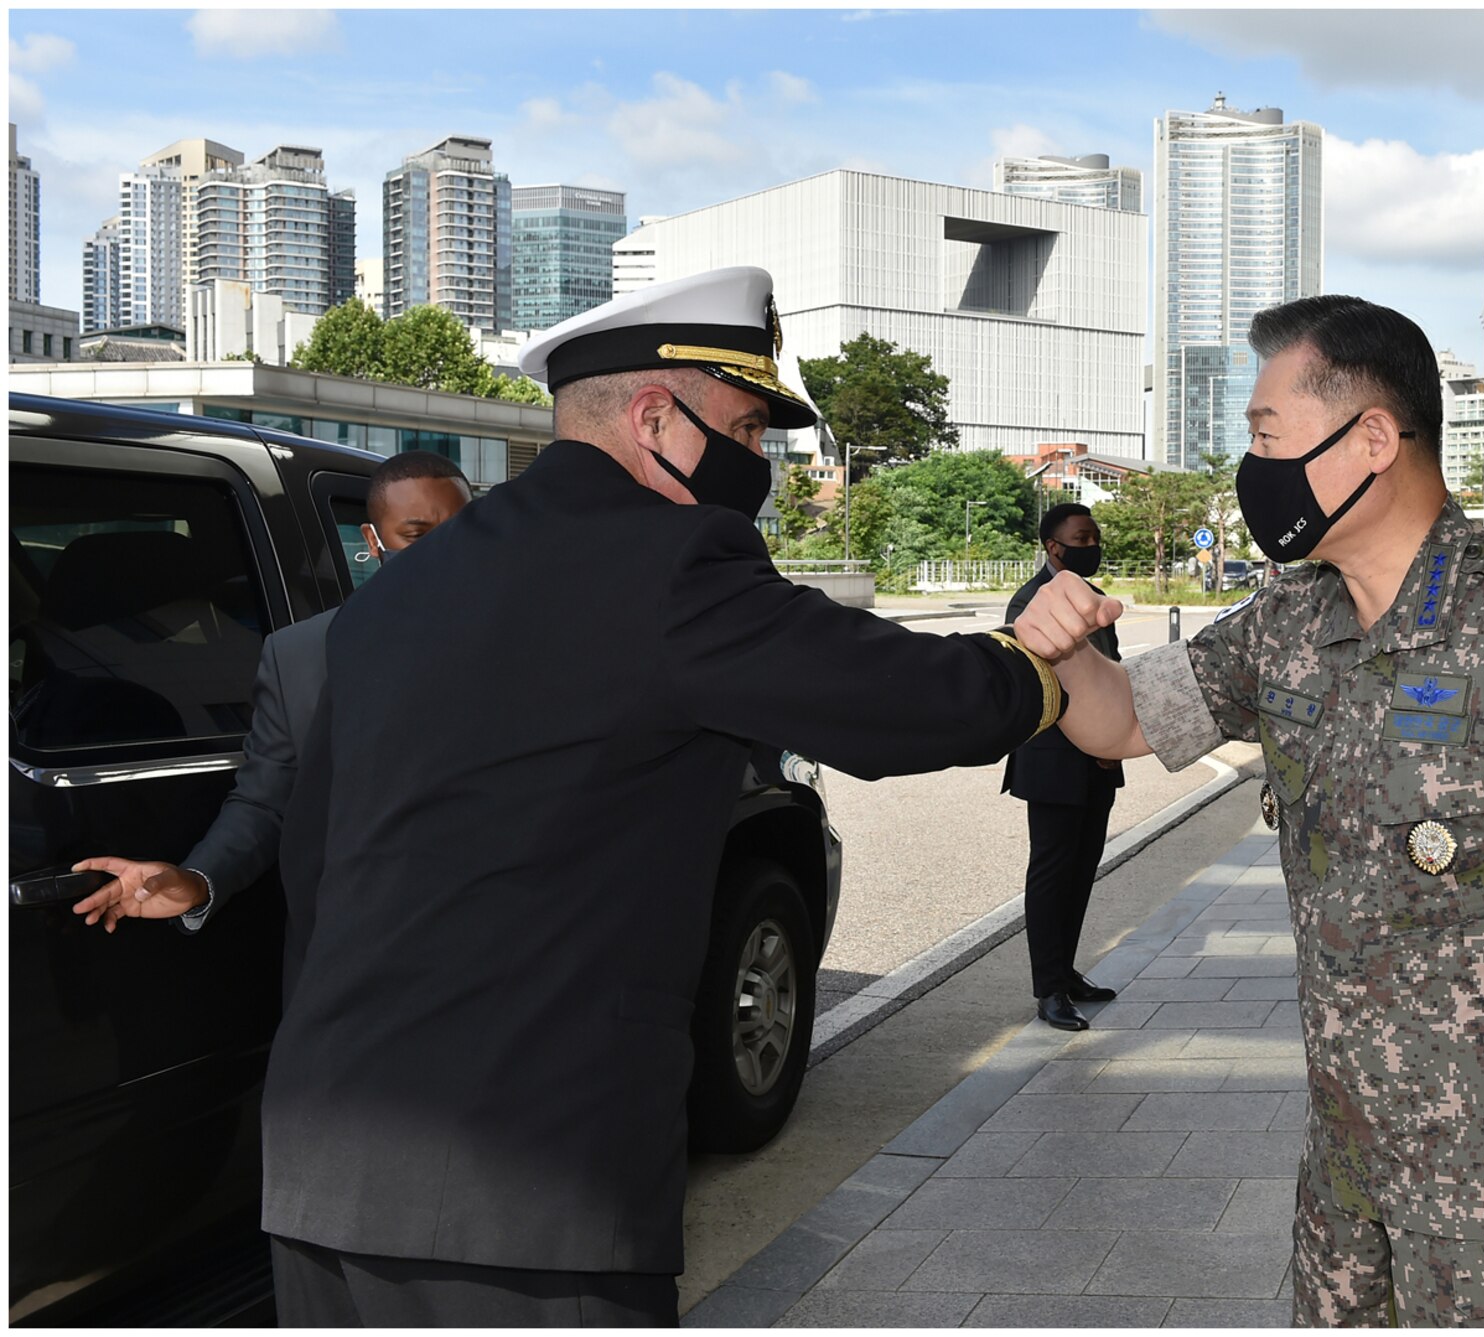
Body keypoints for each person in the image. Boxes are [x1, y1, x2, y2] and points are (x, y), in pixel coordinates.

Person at [257, 266, 1069, 1327]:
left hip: (325, 1171)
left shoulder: (399, 590)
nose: (757, 464)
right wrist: (1041, 662)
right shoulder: (671, 556)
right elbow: (904, 702)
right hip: (526, 1188)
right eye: (740, 429)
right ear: (654, 417)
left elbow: (309, 867)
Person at [1015, 294, 1484, 1326]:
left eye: (1265, 436)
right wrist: (1062, 648)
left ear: (1370, 437)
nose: (1252, 467)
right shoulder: (1287, 620)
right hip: (1344, 1178)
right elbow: (1118, 724)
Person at [68, 451, 473, 944]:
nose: (448, 549)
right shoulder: (299, 655)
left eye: (465, 526)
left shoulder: (539, 644)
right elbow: (268, 801)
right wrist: (198, 880)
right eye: (415, 535)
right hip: (351, 949)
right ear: (373, 541)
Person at [1002, 502, 1123, 1031]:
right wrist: (1093, 740)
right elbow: (1041, 690)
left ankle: (1066, 971)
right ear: (1054, 547)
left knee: (1081, 871)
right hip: (1054, 761)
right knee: (1052, 875)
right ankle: (1048, 990)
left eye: (1094, 535)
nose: (1091, 544)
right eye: (1081, 536)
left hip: (1098, 762)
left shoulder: (1095, 598)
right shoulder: (1031, 602)